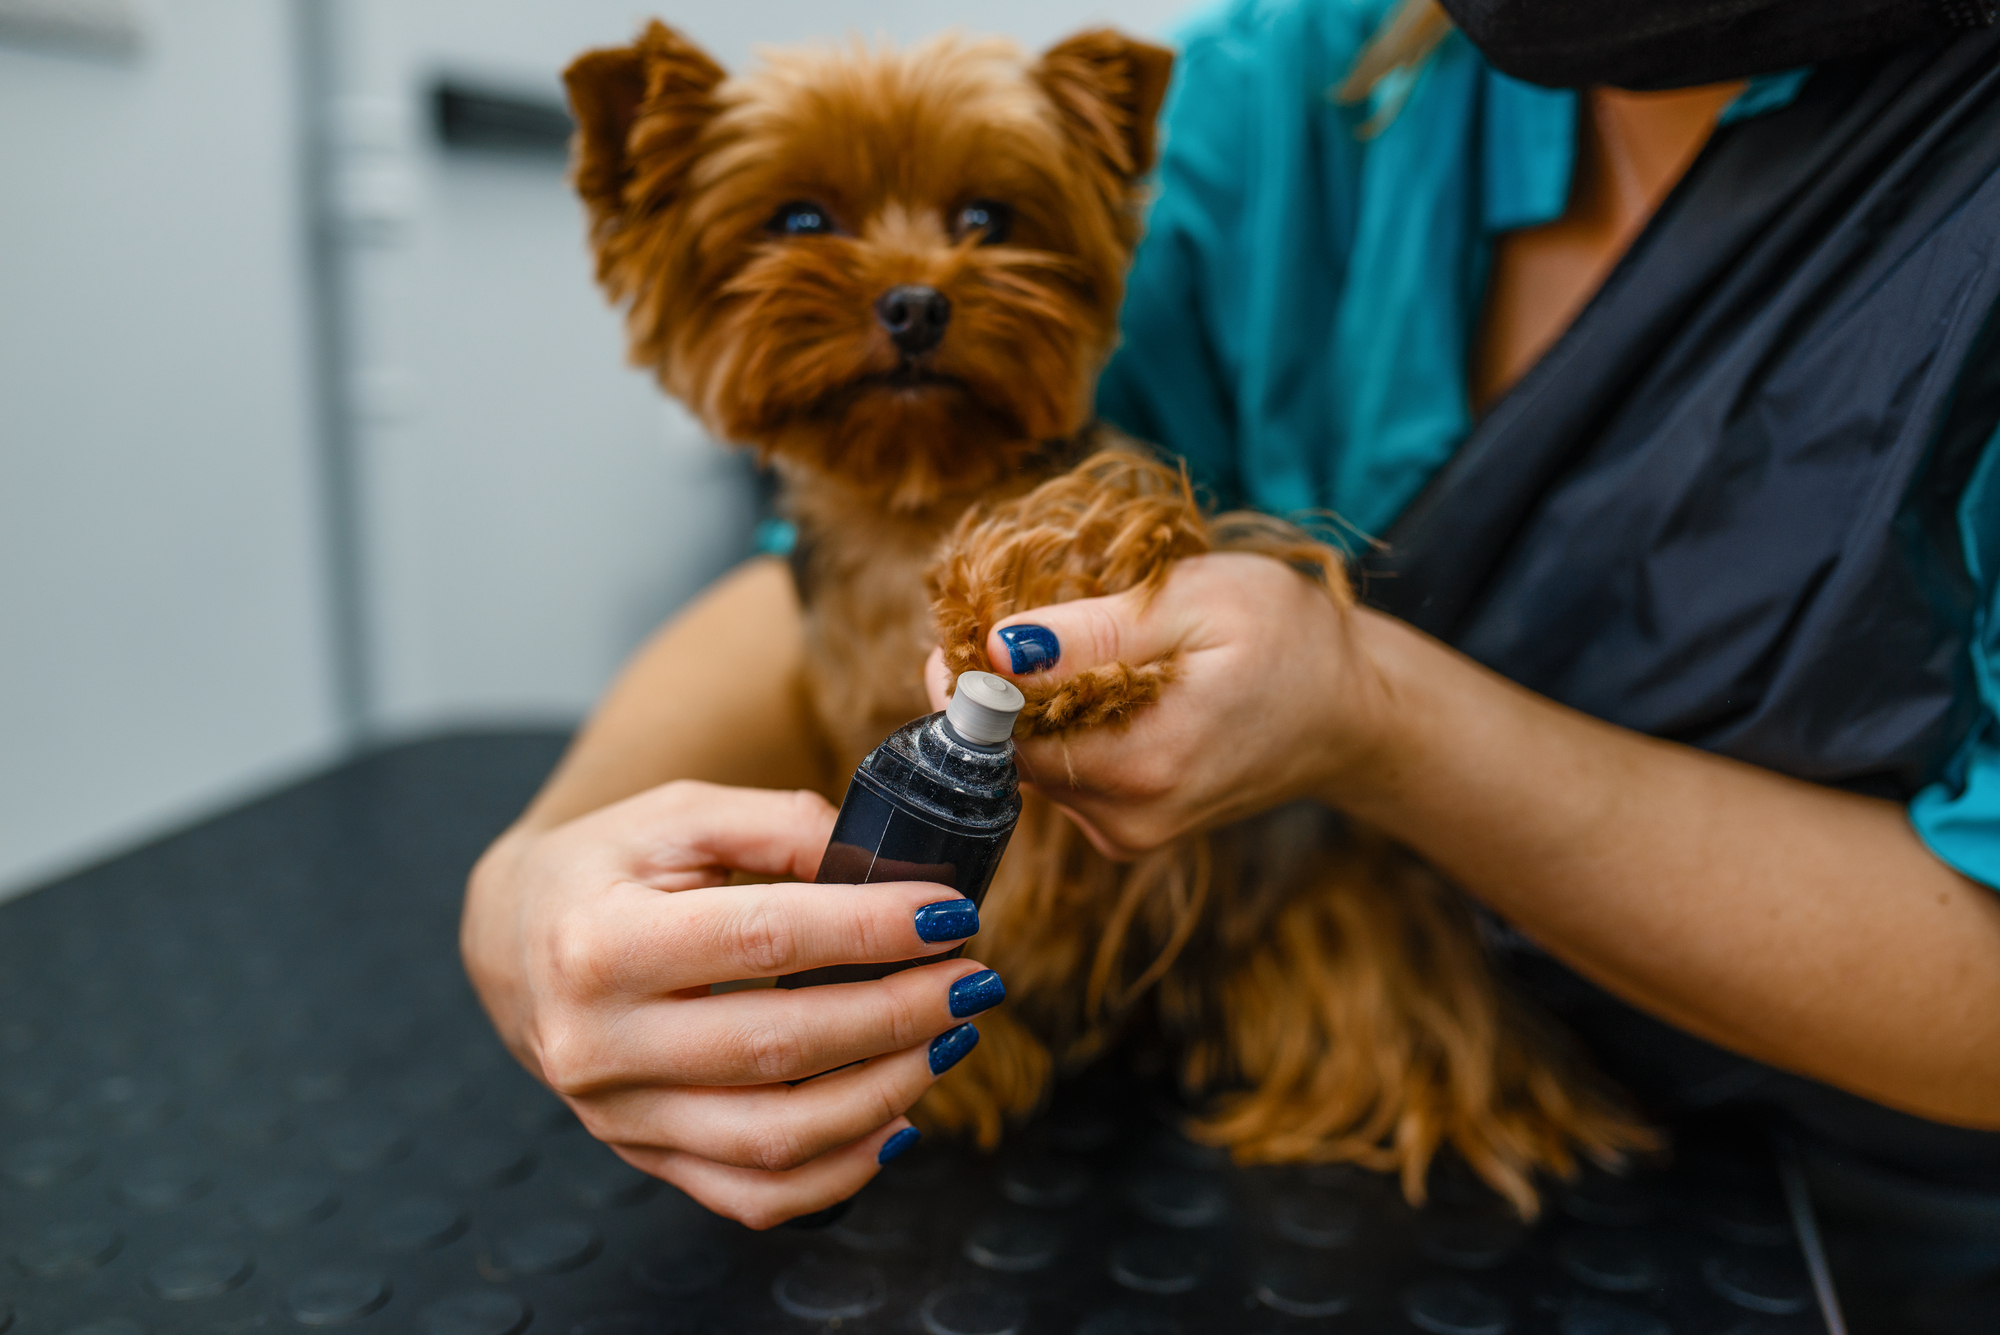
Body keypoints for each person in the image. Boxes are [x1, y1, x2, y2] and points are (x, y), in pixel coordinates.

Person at [463, 0, 2000, 1273]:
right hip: (1230, 1161)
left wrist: (1377, 714)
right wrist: (533, 877)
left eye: (981, 225)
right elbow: (863, 550)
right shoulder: (1298, 88)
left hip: (1871, 1219)